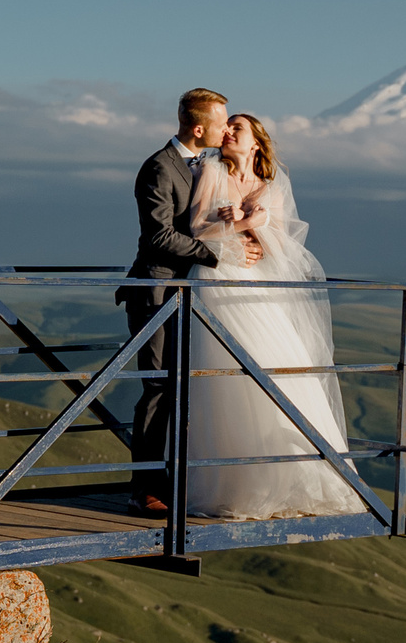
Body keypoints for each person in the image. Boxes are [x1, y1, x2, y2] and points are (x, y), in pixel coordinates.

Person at [180, 113, 368, 518]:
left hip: (256, 284)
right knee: (224, 377)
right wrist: (243, 224)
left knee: (277, 366)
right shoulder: (212, 170)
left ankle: (293, 474)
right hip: (217, 278)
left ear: (255, 143)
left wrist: (258, 230)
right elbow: (197, 229)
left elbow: (281, 244)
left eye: (238, 128)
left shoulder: (270, 187)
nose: (228, 132)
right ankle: (231, 483)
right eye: (227, 126)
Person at [118, 88, 229, 512]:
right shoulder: (159, 167)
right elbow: (158, 236)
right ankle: (145, 488)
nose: (226, 128)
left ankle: (181, 482)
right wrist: (216, 254)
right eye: (221, 121)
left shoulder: (213, 164)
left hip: (194, 294)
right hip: (157, 291)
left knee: (188, 389)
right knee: (159, 386)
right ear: (199, 129)